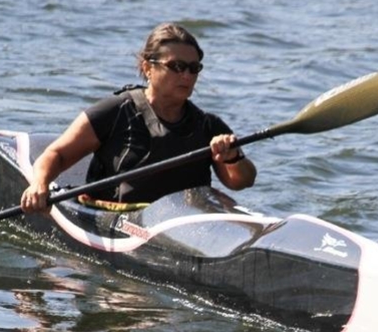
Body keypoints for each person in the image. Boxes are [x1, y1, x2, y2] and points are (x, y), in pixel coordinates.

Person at [21, 23, 257, 213]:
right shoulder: (115, 111)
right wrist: (39, 184)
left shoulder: (208, 125)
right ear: (147, 68)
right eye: (176, 66)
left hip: (185, 228)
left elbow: (242, 182)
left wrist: (232, 157)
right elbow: (56, 154)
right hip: (119, 217)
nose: (186, 75)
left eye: (193, 68)